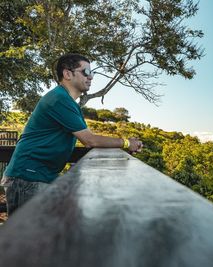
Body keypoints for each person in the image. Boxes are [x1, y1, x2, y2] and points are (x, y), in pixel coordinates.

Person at [1, 53, 143, 216]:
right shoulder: (59, 99)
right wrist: (126, 143)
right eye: (86, 72)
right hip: (28, 177)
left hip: (38, 177)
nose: (91, 78)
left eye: (92, 73)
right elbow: (89, 140)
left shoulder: (65, 100)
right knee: (29, 238)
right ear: (67, 74)